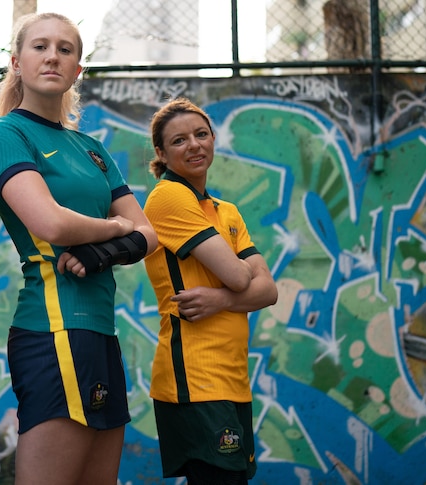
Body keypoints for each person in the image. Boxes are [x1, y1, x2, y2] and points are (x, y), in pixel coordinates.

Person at [0, 12, 158, 485]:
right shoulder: (5, 134)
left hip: (100, 330)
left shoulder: (92, 146)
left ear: (79, 69)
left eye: (65, 48)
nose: (52, 56)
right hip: (53, 327)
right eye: (40, 46)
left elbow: (150, 235)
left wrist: (103, 251)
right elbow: (50, 222)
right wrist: (118, 227)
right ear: (16, 62)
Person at [142, 97, 278, 485]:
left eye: (201, 135)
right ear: (161, 154)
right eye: (180, 140)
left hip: (233, 378)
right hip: (194, 379)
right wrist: (237, 282)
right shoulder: (169, 197)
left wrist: (219, 300)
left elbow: (268, 290)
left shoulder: (226, 210)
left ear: (214, 139)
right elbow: (241, 277)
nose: (195, 145)